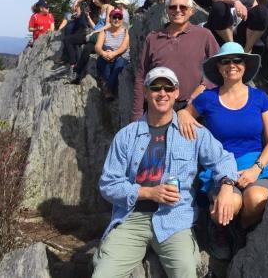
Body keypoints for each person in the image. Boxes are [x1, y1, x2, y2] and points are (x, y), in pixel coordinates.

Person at [93, 66, 238, 278]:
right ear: (146, 92)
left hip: (175, 219)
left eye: (168, 88)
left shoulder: (191, 130)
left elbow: (223, 159)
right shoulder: (126, 136)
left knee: (186, 272)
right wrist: (148, 193)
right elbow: (108, 184)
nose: (163, 93)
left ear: (177, 92)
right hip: (131, 219)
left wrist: (226, 186)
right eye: (156, 87)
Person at [177, 42, 268, 259]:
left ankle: (239, 228)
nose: (231, 65)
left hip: (254, 164)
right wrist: (183, 114)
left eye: (237, 60)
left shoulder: (259, 98)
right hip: (219, 165)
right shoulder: (208, 98)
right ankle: (219, 227)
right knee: (230, 202)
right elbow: (185, 115)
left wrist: (256, 169)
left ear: (244, 65)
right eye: (225, 61)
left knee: (256, 199)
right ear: (219, 68)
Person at [132, 0, 219, 121]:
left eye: (183, 7)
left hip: (194, 107)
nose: (178, 10)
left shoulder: (204, 35)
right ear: (167, 10)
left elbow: (220, 66)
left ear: (192, 11)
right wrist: (137, 115)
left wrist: (204, 86)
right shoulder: (153, 37)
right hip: (160, 107)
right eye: (173, 7)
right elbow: (141, 76)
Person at [68, 0, 114, 84]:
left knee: (79, 42)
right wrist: (88, 16)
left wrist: (94, 33)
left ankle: (76, 70)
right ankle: (76, 71)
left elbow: (109, 25)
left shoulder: (109, 7)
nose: (93, 1)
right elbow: (96, 27)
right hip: (96, 36)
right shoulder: (100, 9)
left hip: (102, 36)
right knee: (86, 48)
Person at [95, 8, 130, 100]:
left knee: (119, 62)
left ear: (122, 19)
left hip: (120, 57)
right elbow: (98, 47)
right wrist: (104, 53)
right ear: (110, 18)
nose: (117, 19)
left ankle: (107, 87)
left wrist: (113, 54)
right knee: (105, 60)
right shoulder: (104, 32)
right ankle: (109, 88)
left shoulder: (126, 32)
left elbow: (124, 47)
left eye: (119, 17)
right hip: (106, 57)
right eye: (114, 17)